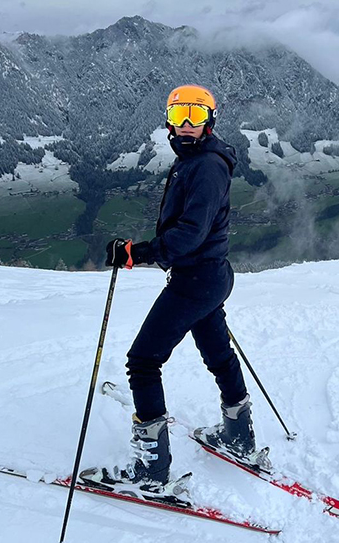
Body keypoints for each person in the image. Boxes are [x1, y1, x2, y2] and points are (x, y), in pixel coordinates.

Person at [80, 84, 255, 491]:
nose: (187, 125)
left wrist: (134, 253)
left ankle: (151, 471)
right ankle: (238, 436)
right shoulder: (198, 160)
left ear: (210, 121)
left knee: (142, 361)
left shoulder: (207, 166)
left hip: (197, 278)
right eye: (179, 116)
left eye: (196, 115)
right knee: (217, 352)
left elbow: (189, 235)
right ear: (168, 122)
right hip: (209, 277)